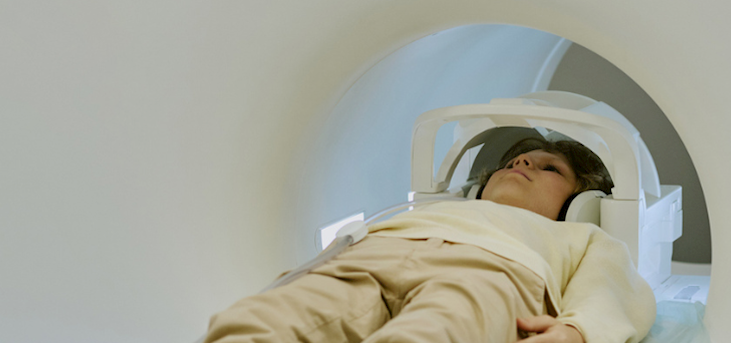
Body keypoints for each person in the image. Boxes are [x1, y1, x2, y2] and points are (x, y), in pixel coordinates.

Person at [204, 138, 656, 343]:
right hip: (373, 256)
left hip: (489, 274)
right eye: (518, 158)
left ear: (583, 200)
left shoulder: (578, 235)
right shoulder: (431, 211)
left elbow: (616, 295)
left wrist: (576, 333)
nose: (522, 162)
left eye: (549, 167)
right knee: (260, 319)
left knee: (438, 331)